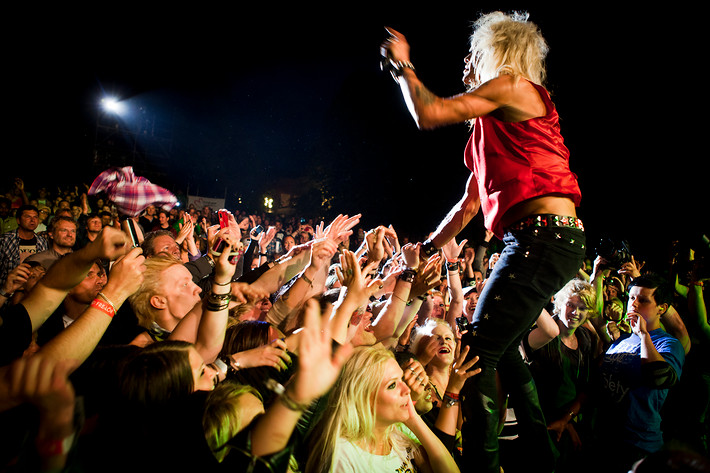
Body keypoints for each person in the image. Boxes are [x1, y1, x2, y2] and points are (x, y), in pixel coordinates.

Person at [382, 11, 585, 472]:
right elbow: (469, 206)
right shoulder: (489, 128)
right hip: (544, 240)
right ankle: (542, 457)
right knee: (500, 348)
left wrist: (403, 68)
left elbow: (429, 111)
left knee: (475, 349)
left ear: (499, 55)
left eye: (475, 54)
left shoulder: (512, 86)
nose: (466, 63)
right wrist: (424, 250)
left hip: (542, 237)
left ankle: (479, 464)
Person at [305, 345, 461, 473]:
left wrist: (414, 420)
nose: (406, 389)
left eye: (401, 379)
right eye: (392, 385)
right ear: (364, 399)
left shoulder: (395, 435)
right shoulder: (342, 456)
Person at [591, 273, 686, 472]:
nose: (633, 304)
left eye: (642, 300)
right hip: (604, 438)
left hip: (638, 446)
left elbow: (659, 378)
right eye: (631, 298)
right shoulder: (622, 340)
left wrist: (643, 335)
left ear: (662, 308)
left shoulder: (668, 344)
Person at [523, 278, 599, 472]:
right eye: (571, 305)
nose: (575, 312)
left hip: (571, 422)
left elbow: (586, 388)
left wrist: (567, 419)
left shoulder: (586, 338)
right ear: (559, 303)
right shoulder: (542, 336)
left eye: (582, 308)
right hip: (541, 425)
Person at [0, 205, 49, 287]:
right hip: (9, 292)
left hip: (33, 291)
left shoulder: (42, 242)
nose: (32, 220)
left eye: (35, 217)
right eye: (28, 217)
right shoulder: (5, 240)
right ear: (18, 220)